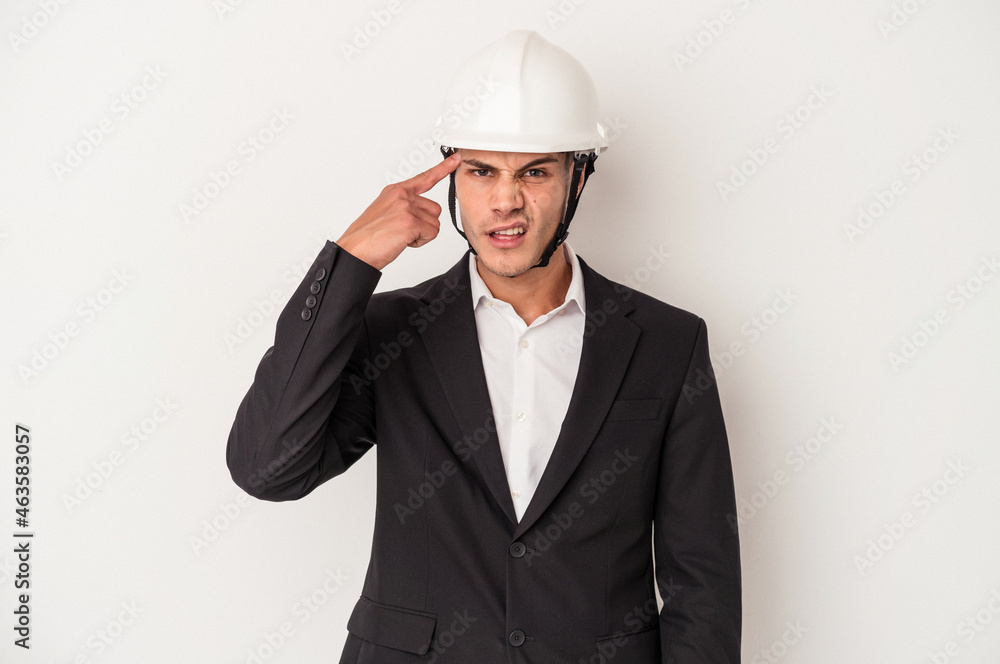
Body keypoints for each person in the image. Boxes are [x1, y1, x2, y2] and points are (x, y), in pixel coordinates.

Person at [227, 30, 741, 664]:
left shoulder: (668, 342)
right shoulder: (392, 331)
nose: (506, 201)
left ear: (577, 178)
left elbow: (704, 582)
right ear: (452, 180)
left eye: (535, 172)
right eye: (480, 171)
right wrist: (350, 264)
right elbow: (266, 469)